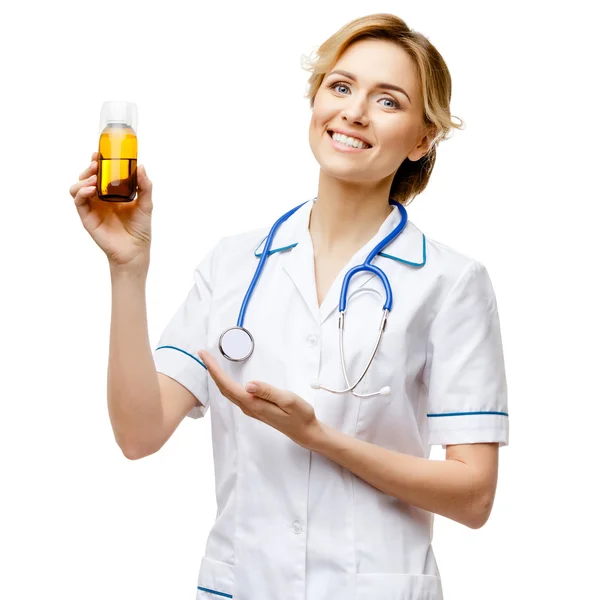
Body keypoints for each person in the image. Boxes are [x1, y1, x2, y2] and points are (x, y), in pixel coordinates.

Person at [69, 13, 508, 600]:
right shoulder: (233, 264)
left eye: (389, 101)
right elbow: (138, 434)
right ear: (316, 99)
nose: (354, 112)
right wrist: (128, 270)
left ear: (423, 138)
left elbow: (474, 496)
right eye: (341, 86)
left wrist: (318, 437)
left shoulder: (451, 282)